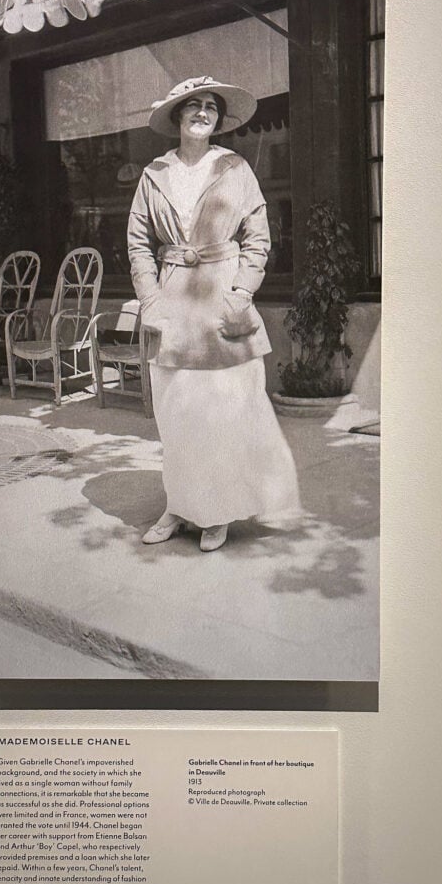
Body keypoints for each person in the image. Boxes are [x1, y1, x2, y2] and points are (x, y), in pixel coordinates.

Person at [127, 75, 301, 552]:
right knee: (178, 415)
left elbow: (257, 237)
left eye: (211, 107)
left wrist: (242, 291)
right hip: (173, 306)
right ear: (178, 117)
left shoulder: (235, 167)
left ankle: (218, 512)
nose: (204, 112)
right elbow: (139, 243)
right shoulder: (153, 175)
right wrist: (150, 300)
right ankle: (178, 506)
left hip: (222, 300)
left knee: (222, 414)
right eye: (194, 106)